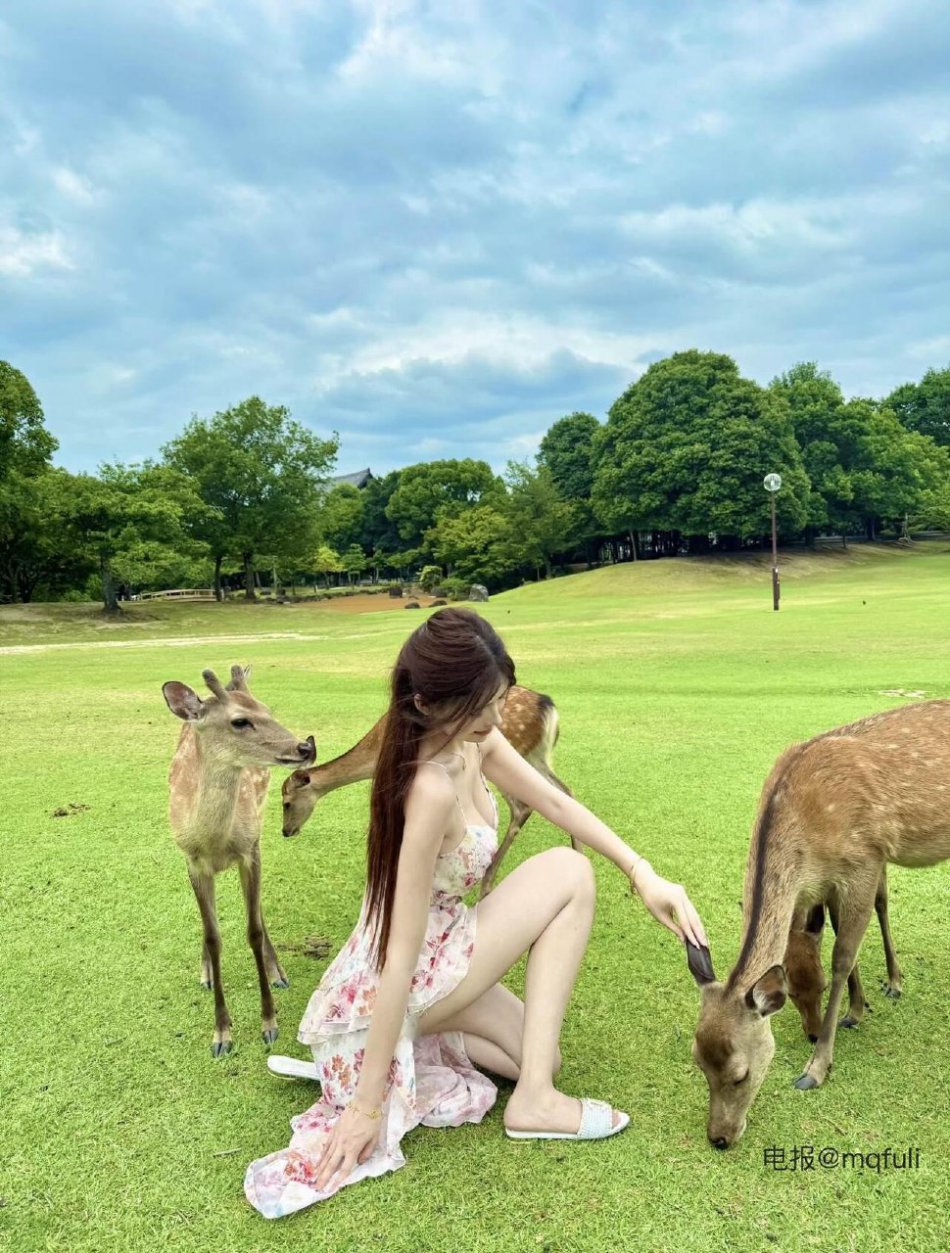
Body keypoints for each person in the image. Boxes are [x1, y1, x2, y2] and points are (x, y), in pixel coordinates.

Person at [244, 607, 708, 1219]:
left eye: (498, 699)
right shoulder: (427, 788)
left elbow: (549, 799)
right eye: (482, 705)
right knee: (570, 874)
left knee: (539, 1051)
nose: (496, 718)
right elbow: (400, 952)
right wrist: (362, 1107)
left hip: (445, 954)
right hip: (403, 980)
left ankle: (446, 1053)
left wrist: (643, 871)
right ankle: (530, 1101)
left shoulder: (474, 740)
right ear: (428, 703)